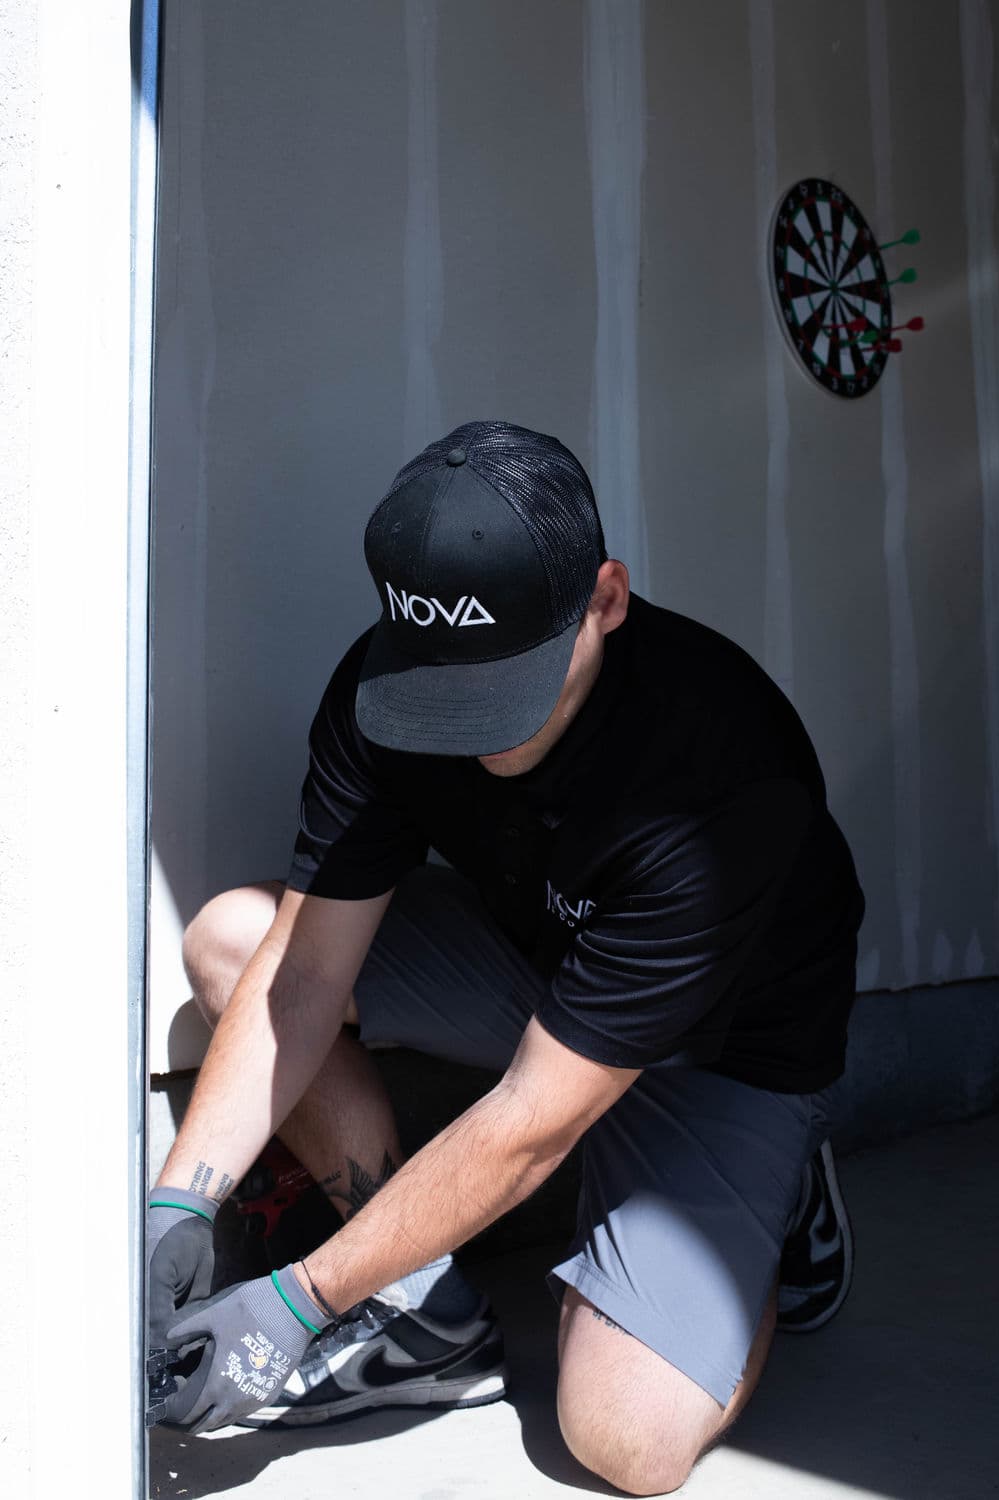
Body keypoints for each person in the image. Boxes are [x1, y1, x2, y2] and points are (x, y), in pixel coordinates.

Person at [149, 420, 864, 1495]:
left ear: (608, 600)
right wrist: (177, 1208)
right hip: (541, 969)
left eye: (508, 687)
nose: (477, 731)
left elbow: (533, 1122)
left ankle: (774, 1200)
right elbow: (301, 975)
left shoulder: (720, 770)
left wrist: (302, 1297)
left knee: (626, 1441)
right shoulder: (378, 692)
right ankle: (428, 1316)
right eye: (443, 691)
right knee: (234, 938)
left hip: (725, 1052)